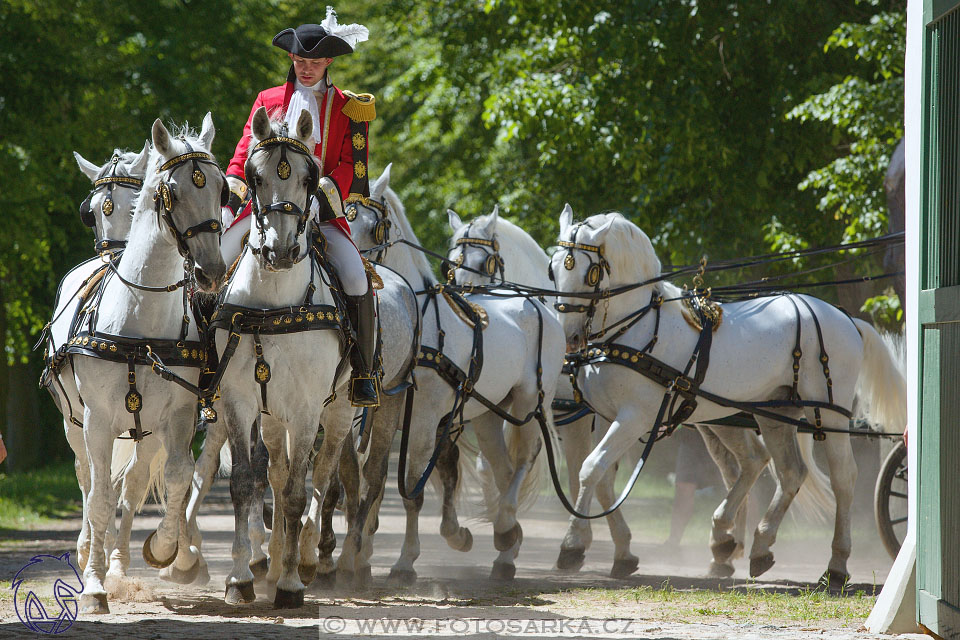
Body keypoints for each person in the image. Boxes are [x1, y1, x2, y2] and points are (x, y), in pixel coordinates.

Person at [223, 12, 380, 407]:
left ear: (329, 62)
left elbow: (354, 168)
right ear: (292, 60)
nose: (306, 69)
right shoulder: (267, 100)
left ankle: (363, 371)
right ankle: (207, 364)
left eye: (314, 62)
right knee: (211, 267)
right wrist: (234, 191)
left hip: (322, 213)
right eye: (300, 62)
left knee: (357, 278)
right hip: (263, 210)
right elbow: (244, 155)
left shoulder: (350, 108)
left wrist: (321, 192)